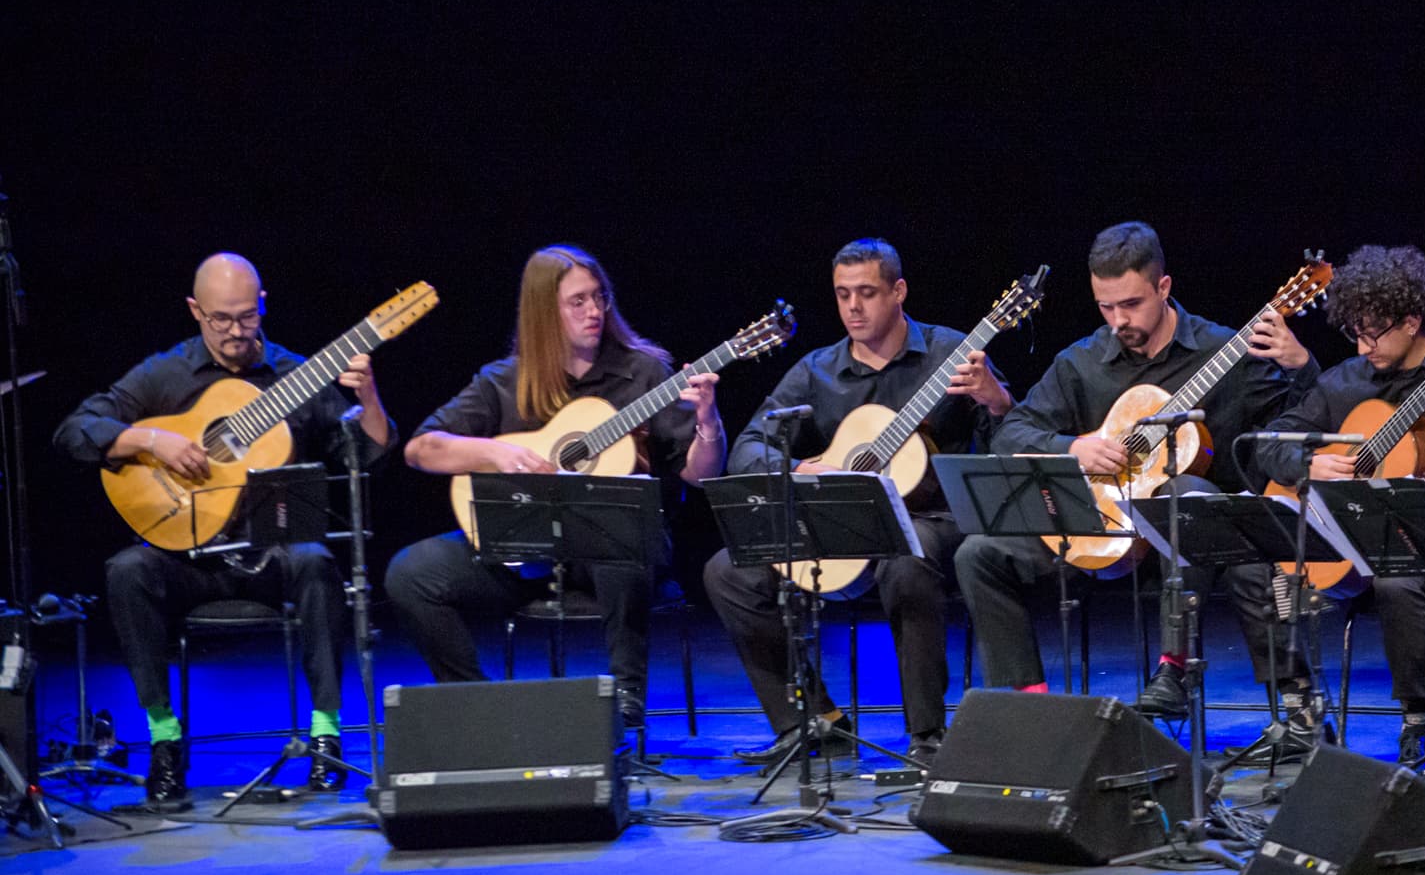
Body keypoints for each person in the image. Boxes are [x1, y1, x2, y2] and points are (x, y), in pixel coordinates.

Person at [55, 253, 396, 811]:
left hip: (271, 558)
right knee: (126, 572)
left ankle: (326, 732)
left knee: (317, 562)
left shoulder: (296, 375)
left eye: (246, 317)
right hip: (187, 558)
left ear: (262, 305)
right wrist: (150, 442)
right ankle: (165, 740)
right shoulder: (165, 374)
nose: (236, 332)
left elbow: (362, 456)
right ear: (195, 311)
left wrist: (370, 399)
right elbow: (75, 430)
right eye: (220, 320)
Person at [954, 221, 1317, 722]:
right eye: (1106, 306)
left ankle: (1175, 670)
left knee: (1185, 492)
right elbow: (1013, 431)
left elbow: (1295, 426)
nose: (1118, 319)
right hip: (1093, 530)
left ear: (1163, 287)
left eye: (1130, 304)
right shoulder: (1080, 363)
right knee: (978, 554)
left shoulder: (1223, 353)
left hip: (1182, 549)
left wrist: (1303, 368)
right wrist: (1073, 446)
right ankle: (1027, 710)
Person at [703, 239, 1012, 765]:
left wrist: (996, 400)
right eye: (843, 294)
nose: (853, 307)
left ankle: (927, 735)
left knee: (905, 563)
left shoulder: (951, 353)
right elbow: (749, 448)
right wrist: (800, 466)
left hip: (927, 519)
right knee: (728, 571)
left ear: (899, 291)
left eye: (867, 293)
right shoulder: (816, 370)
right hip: (834, 522)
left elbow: (1013, 444)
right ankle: (812, 722)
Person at [385, 245, 724, 726]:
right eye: (578, 302)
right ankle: (475, 703)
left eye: (599, 297)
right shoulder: (503, 381)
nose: (594, 311)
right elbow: (420, 448)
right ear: (545, 312)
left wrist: (708, 420)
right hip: (523, 549)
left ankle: (625, 705)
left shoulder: (644, 373)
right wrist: (495, 452)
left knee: (622, 539)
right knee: (411, 574)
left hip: (613, 551)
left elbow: (702, 473)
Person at [1247, 244, 1425, 765]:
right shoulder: (1347, 382)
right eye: (1353, 333)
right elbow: (1270, 441)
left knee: (1395, 576)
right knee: (1255, 558)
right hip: (1354, 538)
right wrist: (1305, 466)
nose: (1361, 347)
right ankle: (1302, 711)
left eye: (1371, 333)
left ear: (1412, 320)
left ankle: (1416, 722)